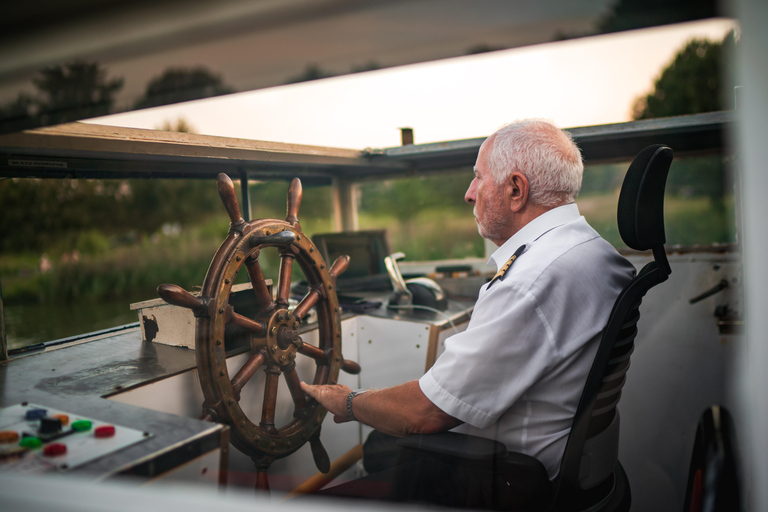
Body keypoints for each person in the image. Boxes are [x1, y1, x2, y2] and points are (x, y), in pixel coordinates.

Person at [301, 119, 635, 507]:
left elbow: (423, 414)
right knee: (381, 446)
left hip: (515, 481)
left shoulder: (529, 282)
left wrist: (346, 401)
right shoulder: (595, 252)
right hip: (579, 472)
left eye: (478, 177)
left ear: (515, 189)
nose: (469, 193)